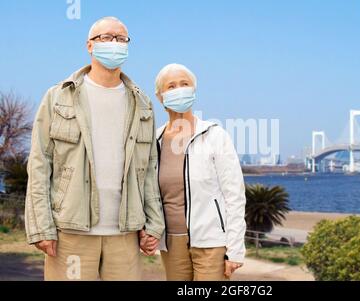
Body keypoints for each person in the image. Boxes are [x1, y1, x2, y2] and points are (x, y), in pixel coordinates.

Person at [24, 16, 164, 281]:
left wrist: (154, 224)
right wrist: (41, 227)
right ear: (89, 46)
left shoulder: (142, 103)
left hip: (126, 235)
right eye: (107, 37)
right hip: (71, 234)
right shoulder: (58, 97)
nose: (115, 44)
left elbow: (149, 170)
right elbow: (40, 164)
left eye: (121, 39)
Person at [145, 63, 246, 280]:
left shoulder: (215, 135)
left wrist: (235, 249)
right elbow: (148, 194)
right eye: (171, 86)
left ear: (194, 90)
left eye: (185, 84)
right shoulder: (154, 141)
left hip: (211, 242)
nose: (179, 89)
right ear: (160, 96)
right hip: (171, 244)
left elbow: (234, 196)